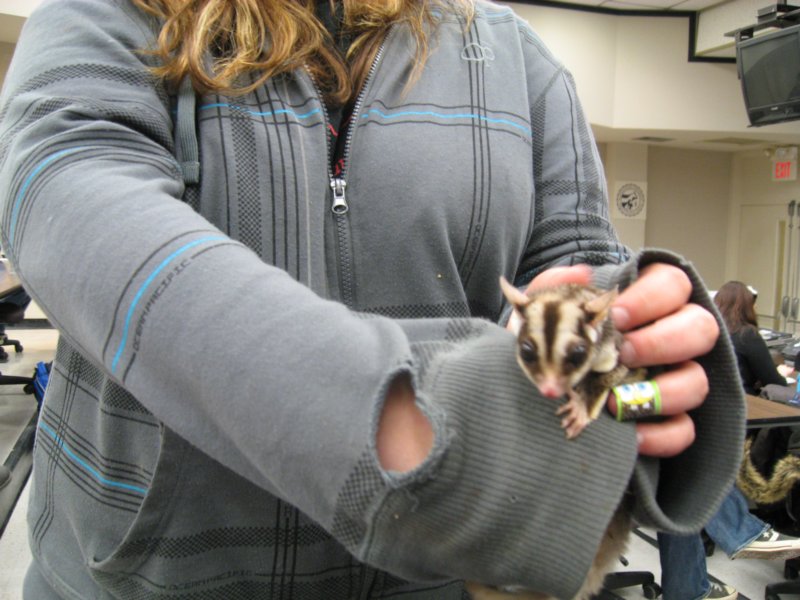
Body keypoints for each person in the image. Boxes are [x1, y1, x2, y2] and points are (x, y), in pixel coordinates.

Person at [0, 1, 743, 599]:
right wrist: (407, 422)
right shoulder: (110, 14)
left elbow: (580, 269)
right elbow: (73, 207)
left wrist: (639, 366)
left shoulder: (518, 59)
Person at [657, 281, 800, 600]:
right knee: (686, 467)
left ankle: (690, 587)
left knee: (680, 484)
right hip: (601, 456)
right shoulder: (745, 335)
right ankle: (742, 531)